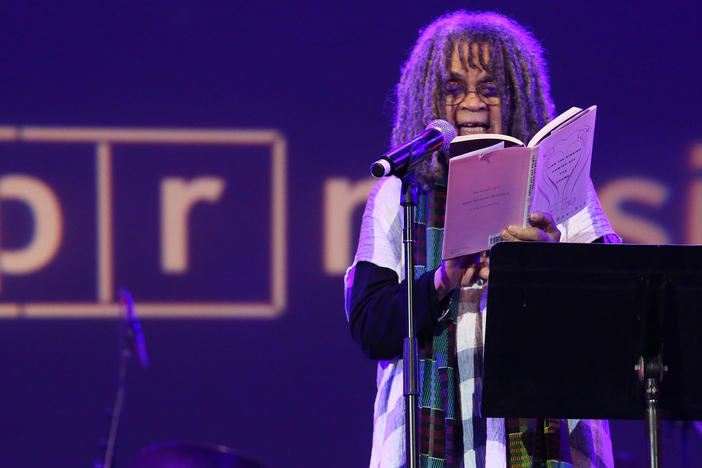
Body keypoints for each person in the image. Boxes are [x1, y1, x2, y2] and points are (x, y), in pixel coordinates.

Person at [344, 10, 620, 468]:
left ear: (515, 96)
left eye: (489, 88)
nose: (472, 103)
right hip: (426, 440)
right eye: (454, 89)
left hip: (545, 438)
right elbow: (372, 329)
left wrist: (549, 266)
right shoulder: (400, 193)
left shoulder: (560, 184)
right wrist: (443, 279)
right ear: (427, 98)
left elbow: (617, 314)